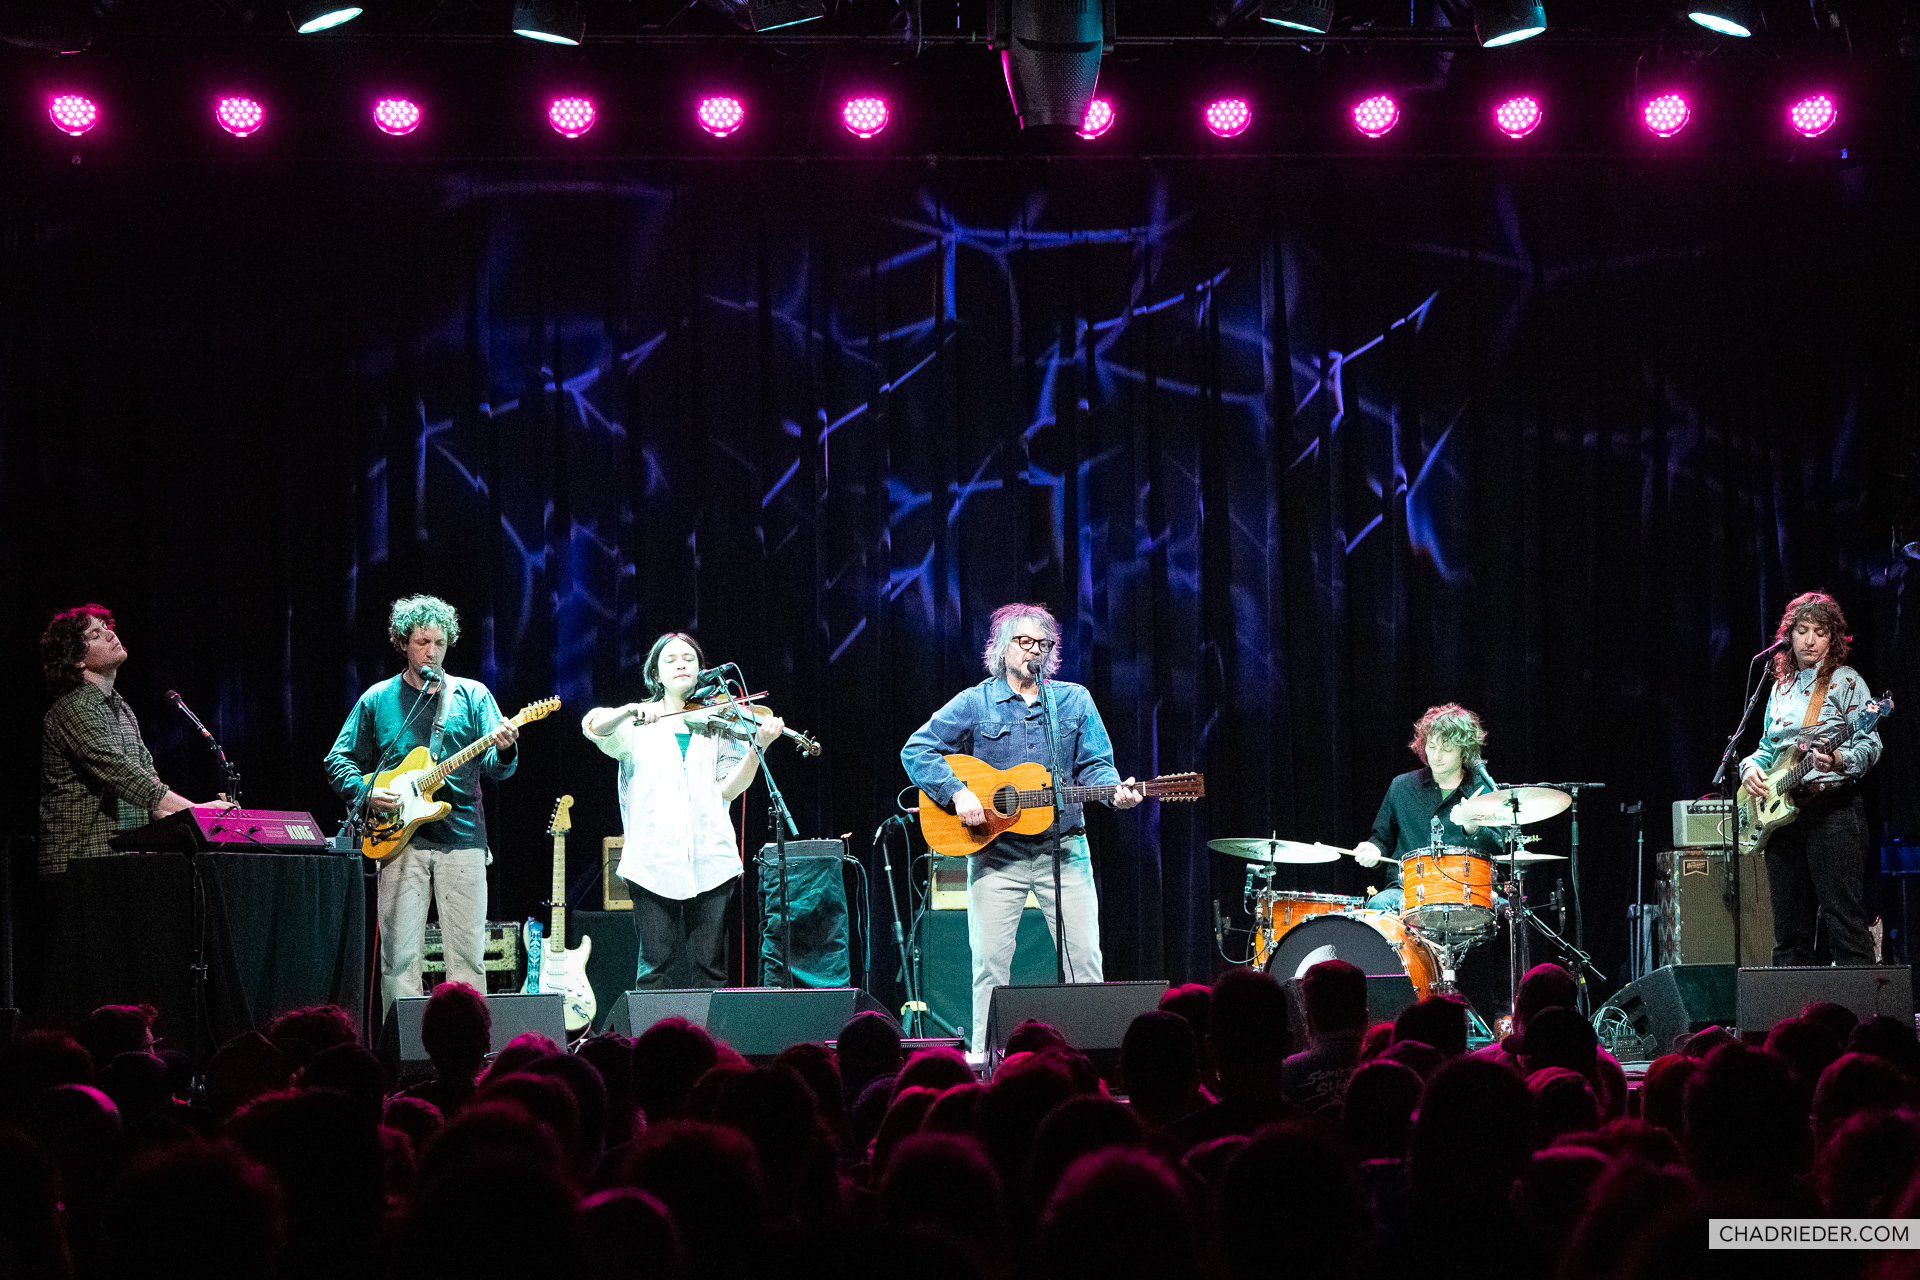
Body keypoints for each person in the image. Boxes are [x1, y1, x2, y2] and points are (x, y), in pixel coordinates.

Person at [901, 603, 1142, 1056]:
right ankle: (983, 1061)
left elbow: (1095, 768)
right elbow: (917, 750)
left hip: (1065, 850)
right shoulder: (977, 701)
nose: (1035, 650)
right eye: (1025, 641)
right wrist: (957, 793)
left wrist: (1115, 793)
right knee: (990, 970)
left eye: (1043, 644)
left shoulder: (1073, 700)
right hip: (997, 855)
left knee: (1085, 963)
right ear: (1002, 646)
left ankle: (1095, 1059)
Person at [324, 595, 519, 1016]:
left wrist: (503, 751)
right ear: (403, 642)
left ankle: (467, 1050)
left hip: (463, 838)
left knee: (467, 960)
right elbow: (338, 759)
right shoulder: (379, 698)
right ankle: (401, 1051)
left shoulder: (473, 695)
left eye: (440, 643)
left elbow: (497, 769)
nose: (432, 651)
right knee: (399, 960)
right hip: (398, 842)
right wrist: (365, 789)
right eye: (421, 642)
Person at [581, 632, 782, 988]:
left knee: (710, 970)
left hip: (712, 860)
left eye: (689, 659)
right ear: (655, 673)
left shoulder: (717, 719)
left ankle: (712, 1045)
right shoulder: (636, 724)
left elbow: (730, 788)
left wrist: (759, 746)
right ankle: (652, 1043)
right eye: (671, 659)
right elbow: (593, 726)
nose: (681, 665)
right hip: (652, 863)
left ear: (701, 670)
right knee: (655, 970)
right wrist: (628, 710)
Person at [1740, 591, 1881, 967]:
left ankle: (1860, 1021)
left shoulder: (1845, 681)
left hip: (1832, 812)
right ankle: (1791, 1022)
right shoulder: (1779, 688)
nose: (1810, 639)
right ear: (1789, 636)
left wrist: (1837, 758)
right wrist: (1750, 767)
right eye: (1803, 630)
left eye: (1820, 631)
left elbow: (1871, 744)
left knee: (1843, 923)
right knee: (1789, 932)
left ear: (1832, 638)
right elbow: (1767, 749)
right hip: (1783, 820)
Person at [38, 605, 202, 878]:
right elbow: (121, 775)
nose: (110, 634)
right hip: (79, 866)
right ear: (77, 658)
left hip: (121, 863)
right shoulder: (73, 707)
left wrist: (192, 822)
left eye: (107, 627)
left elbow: (148, 780)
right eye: (95, 633)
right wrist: (197, 814)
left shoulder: (122, 708)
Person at [1353, 702, 1502, 912]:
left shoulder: (1482, 789)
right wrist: (1373, 849)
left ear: (1464, 751)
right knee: (1377, 905)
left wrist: (1473, 828)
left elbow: (1500, 848)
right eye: (1431, 746)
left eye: (1447, 748)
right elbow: (1382, 838)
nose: (1436, 755)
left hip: (1465, 890)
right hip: (1407, 890)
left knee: (1502, 911)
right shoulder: (1402, 786)